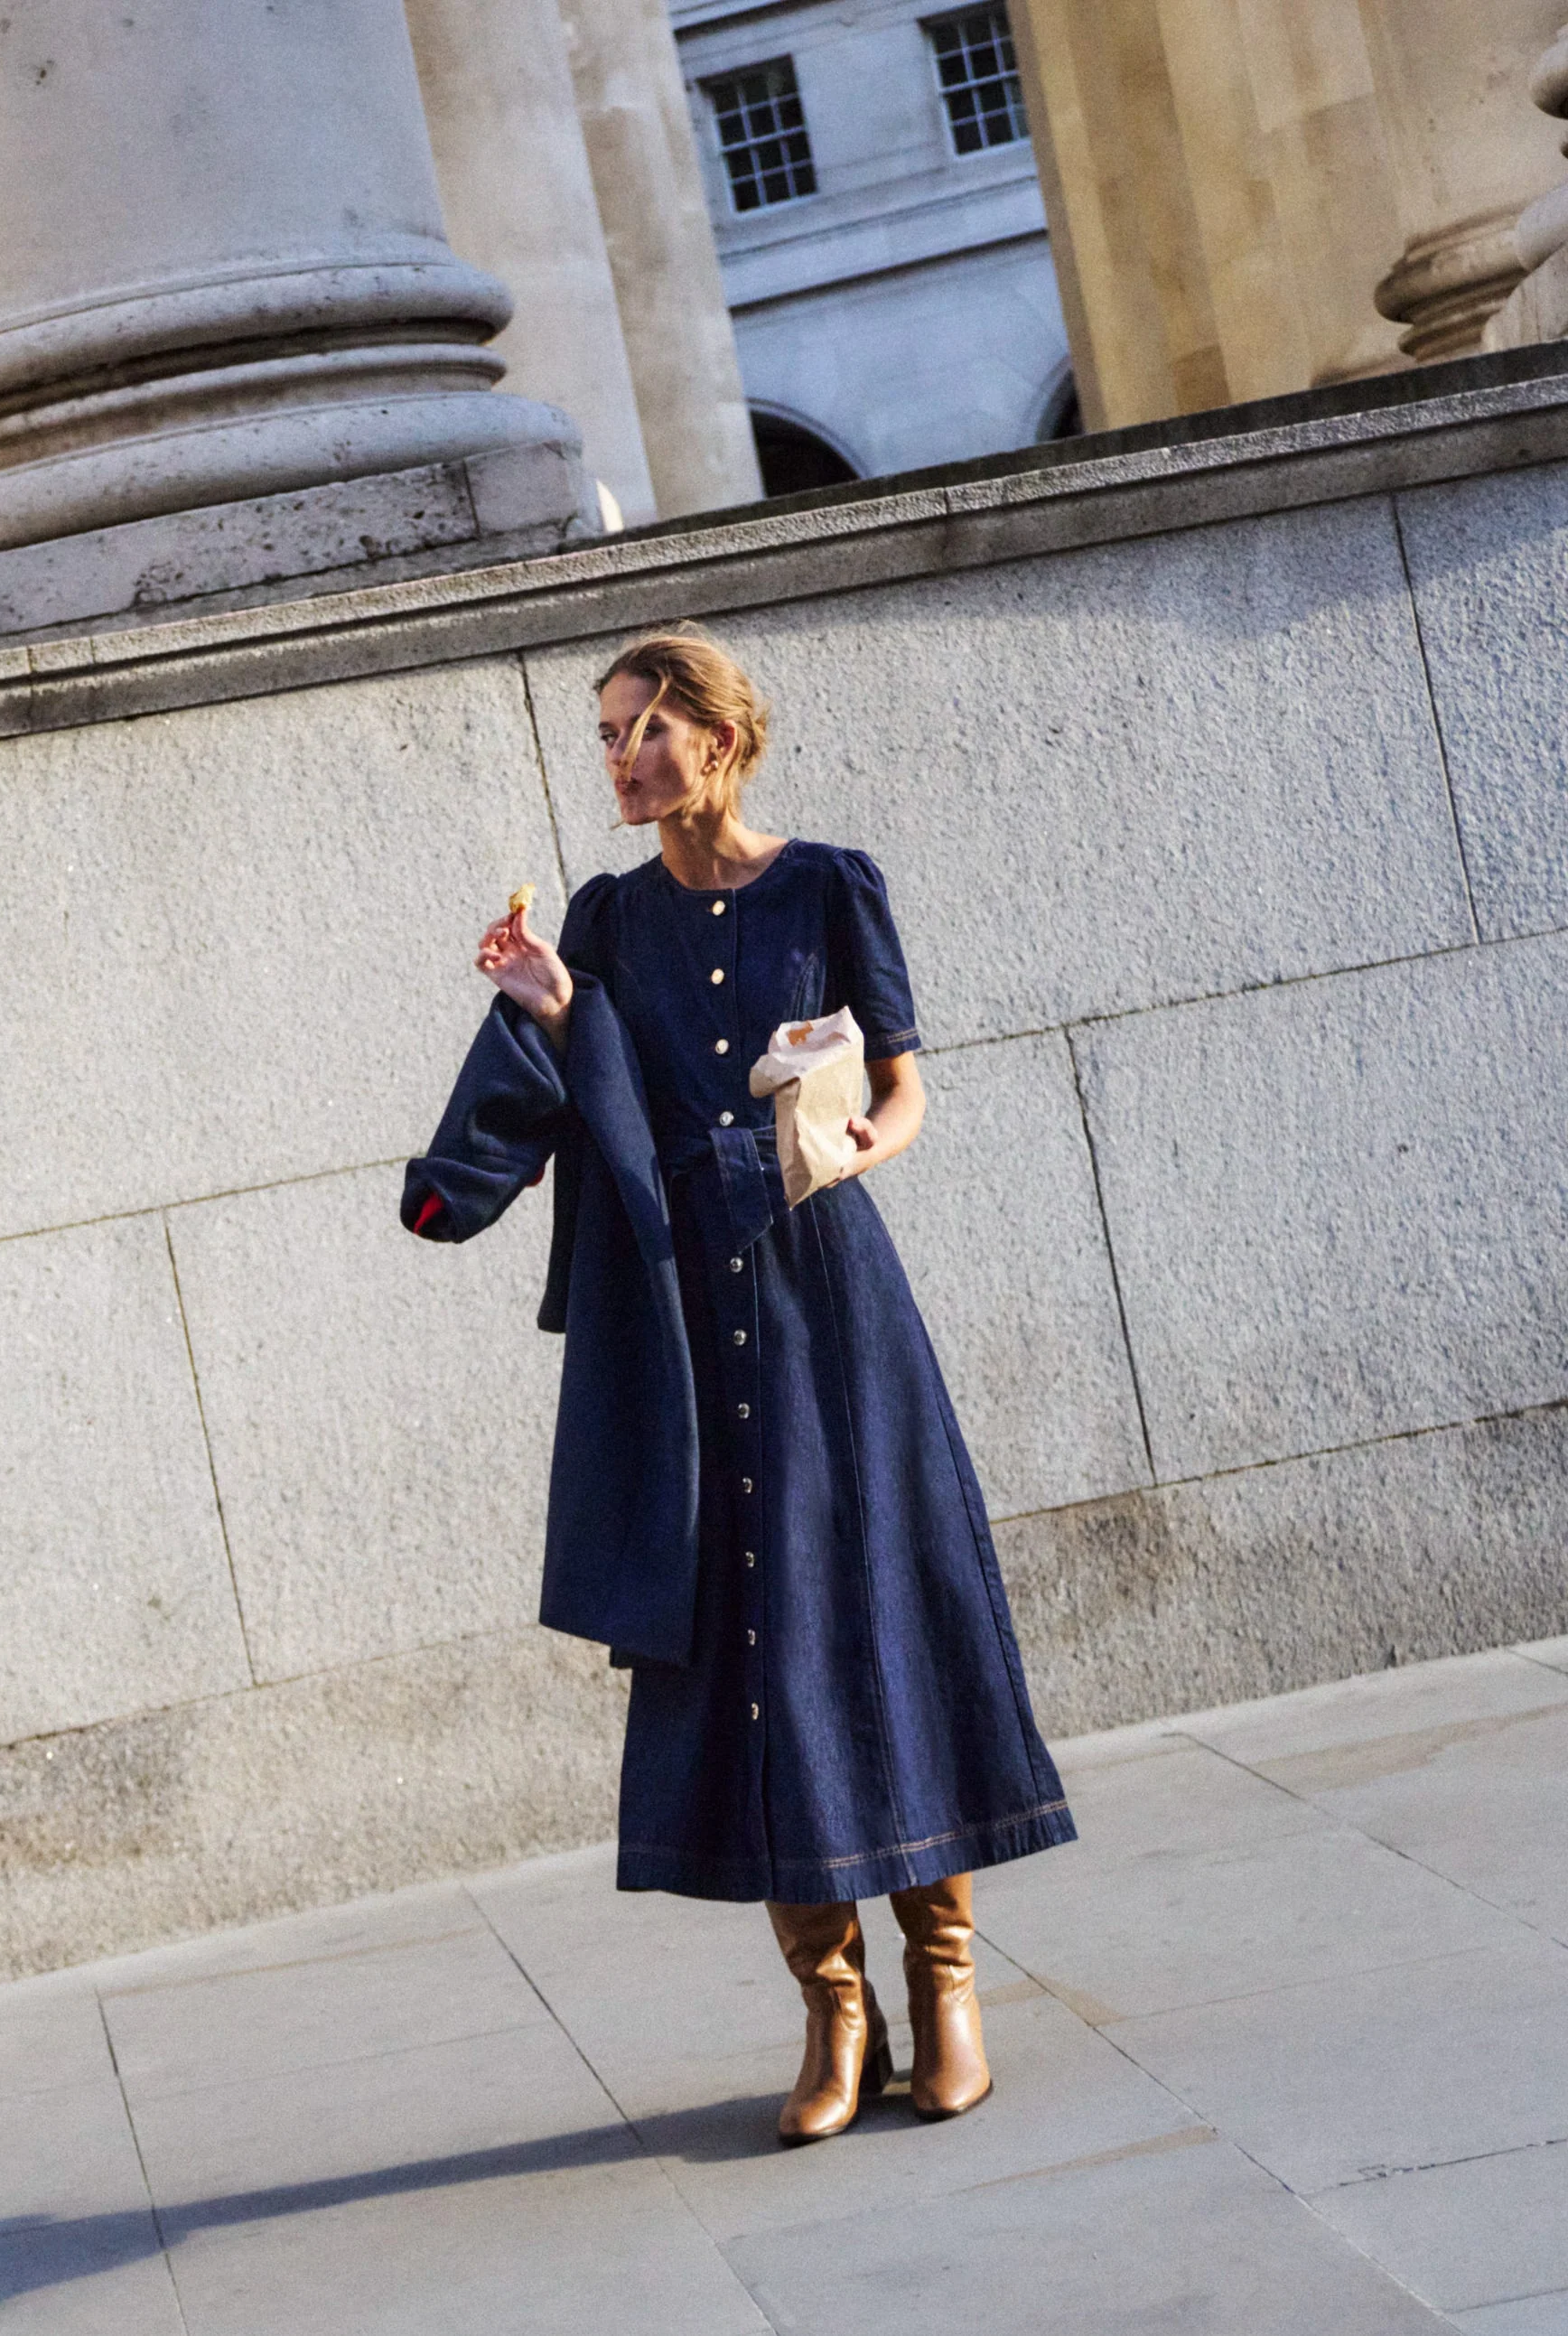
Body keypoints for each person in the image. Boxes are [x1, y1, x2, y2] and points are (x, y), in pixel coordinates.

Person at [404, 630, 1075, 2145]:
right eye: (604, 735)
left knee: (879, 1614)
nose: (620, 758)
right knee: (745, 1644)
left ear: (716, 736)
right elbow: (601, 1095)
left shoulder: (829, 885)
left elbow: (903, 1087)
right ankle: (835, 2009)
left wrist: (854, 1146)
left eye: (643, 727)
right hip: (687, 1326)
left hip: (830, 1300)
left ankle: (947, 1982)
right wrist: (554, 1007)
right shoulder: (606, 919)